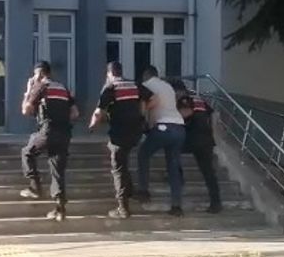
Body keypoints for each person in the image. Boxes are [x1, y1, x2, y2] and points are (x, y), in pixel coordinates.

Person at [89, 62, 151, 218]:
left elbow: (98, 112)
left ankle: (122, 208)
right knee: (123, 160)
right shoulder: (134, 84)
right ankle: (129, 191)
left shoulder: (110, 87)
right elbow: (151, 98)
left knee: (118, 168)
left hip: (119, 132)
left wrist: (92, 126)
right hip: (135, 131)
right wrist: (141, 115)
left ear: (109, 73)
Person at [20, 61, 79, 221]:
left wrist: (28, 91)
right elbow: (75, 113)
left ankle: (35, 188)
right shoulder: (63, 88)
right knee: (57, 170)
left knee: (27, 152)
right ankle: (60, 210)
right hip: (64, 133)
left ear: (39, 74)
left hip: (48, 130)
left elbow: (26, 110)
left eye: (35, 75)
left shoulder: (41, 87)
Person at [135, 65, 186, 217]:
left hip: (163, 127)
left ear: (146, 75)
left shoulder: (146, 85)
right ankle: (176, 206)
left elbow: (153, 102)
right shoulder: (168, 86)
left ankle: (143, 191)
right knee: (173, 166)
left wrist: (143, 115)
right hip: (179, 127)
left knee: (143, 154)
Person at [172, 79, 223, 214]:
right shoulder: (198, 99)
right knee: (208, 172)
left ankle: (179, 178)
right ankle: (216, 203)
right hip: (205, 139)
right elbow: (214, 114)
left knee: (172, 152)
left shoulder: (183, 99)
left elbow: (186, 113)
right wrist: (213, 133)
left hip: (193, 139)